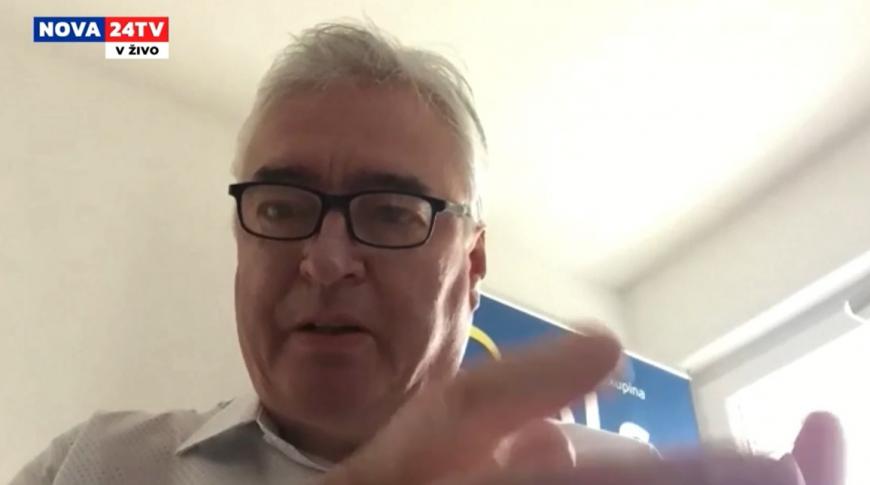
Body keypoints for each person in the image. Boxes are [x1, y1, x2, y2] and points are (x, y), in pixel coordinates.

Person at [12, 21, 843, 485]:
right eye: (281, 207)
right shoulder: (92, 465)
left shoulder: (614, 478)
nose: (325, 259)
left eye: (390, 211)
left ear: (472, 266)